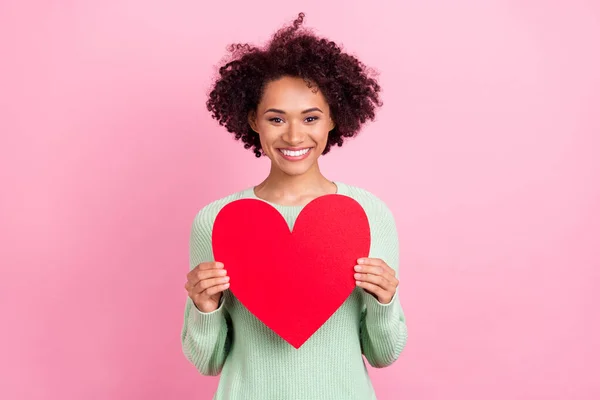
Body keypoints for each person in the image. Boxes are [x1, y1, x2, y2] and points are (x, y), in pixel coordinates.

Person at [181, 12, 408, 400]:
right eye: (276, 118)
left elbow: (383, 354)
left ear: (333, 119)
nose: (293, 135)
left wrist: (385, 302)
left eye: (311, 117)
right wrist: (205, 308)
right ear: (253, 120)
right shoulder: (217, 221)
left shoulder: (369, 214)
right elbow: (208, 362)